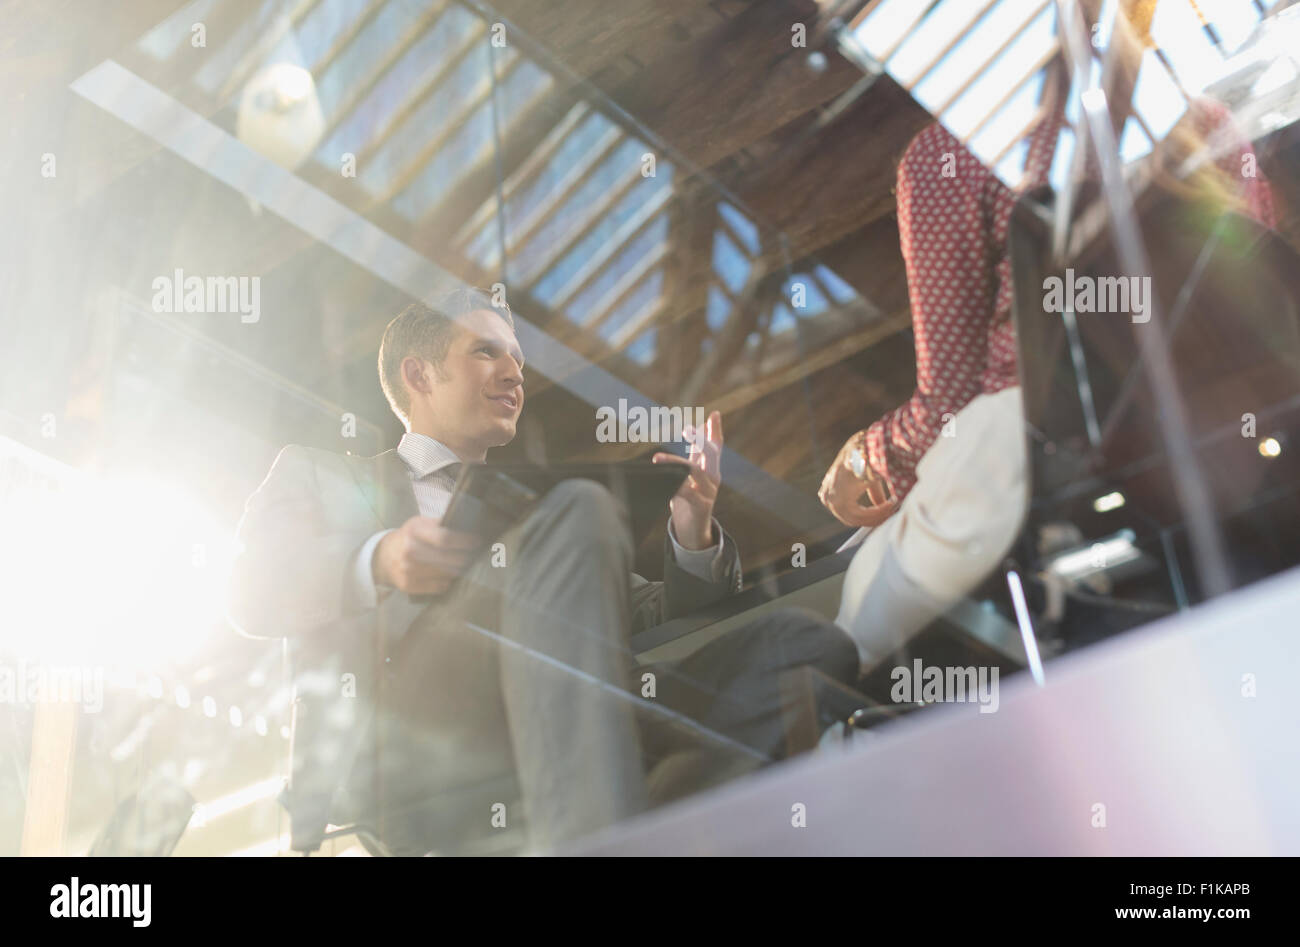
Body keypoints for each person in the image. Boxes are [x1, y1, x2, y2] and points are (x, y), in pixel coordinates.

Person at [228, 288, 857, 854]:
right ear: (418, 374)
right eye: (486, 353)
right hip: (416, 744)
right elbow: (252, 590)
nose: (514, 375)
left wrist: (691, 528)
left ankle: (624, 817)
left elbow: (653, 615)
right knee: (581, 503)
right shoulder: (322, 472)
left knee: (802, 647)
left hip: (577, 719)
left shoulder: (541, 512)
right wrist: (382, 558)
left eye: (520, 364)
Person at [818, 0, 1275, 677]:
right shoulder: (1202, 120)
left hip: (1040, 466)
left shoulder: (948, 155)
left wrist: (871, 458)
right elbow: (1258, 288)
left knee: (840, 632)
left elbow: (947, 399)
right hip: (1234, 452)